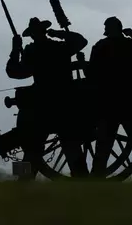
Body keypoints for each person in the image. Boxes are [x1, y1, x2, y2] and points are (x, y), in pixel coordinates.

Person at [6, 17, 89, 180]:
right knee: (72, 146)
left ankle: (22, 183)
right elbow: (81, 41)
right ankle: (84, 183)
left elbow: (14, 72)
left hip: (41, 105)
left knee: (31, 150)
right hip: (63, 103)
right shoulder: (60, 47)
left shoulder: (31, 51)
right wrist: (58, 34)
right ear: (45, 31)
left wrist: (15, 49)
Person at [89, 16, 132, 180]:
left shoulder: (100, 46)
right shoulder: (130, 44)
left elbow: (90, 73)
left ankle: (95, 181)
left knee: (103, 147)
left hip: (109, 101)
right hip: (130, 98)